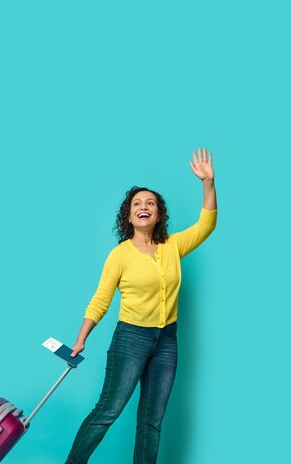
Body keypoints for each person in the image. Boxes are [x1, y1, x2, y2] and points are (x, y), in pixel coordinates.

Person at [64, 148, 217, 464]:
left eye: (150, 203)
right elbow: (100, 300)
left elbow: (206, 225)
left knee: (152, 421)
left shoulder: (172, 246)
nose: (143, 207)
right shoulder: (120, 255)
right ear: (129, 215)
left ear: (159, 214)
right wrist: (81, 338)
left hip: (167, 342)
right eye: (137, 204)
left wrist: (208, 183)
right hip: (131, 339)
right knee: (108, 411)